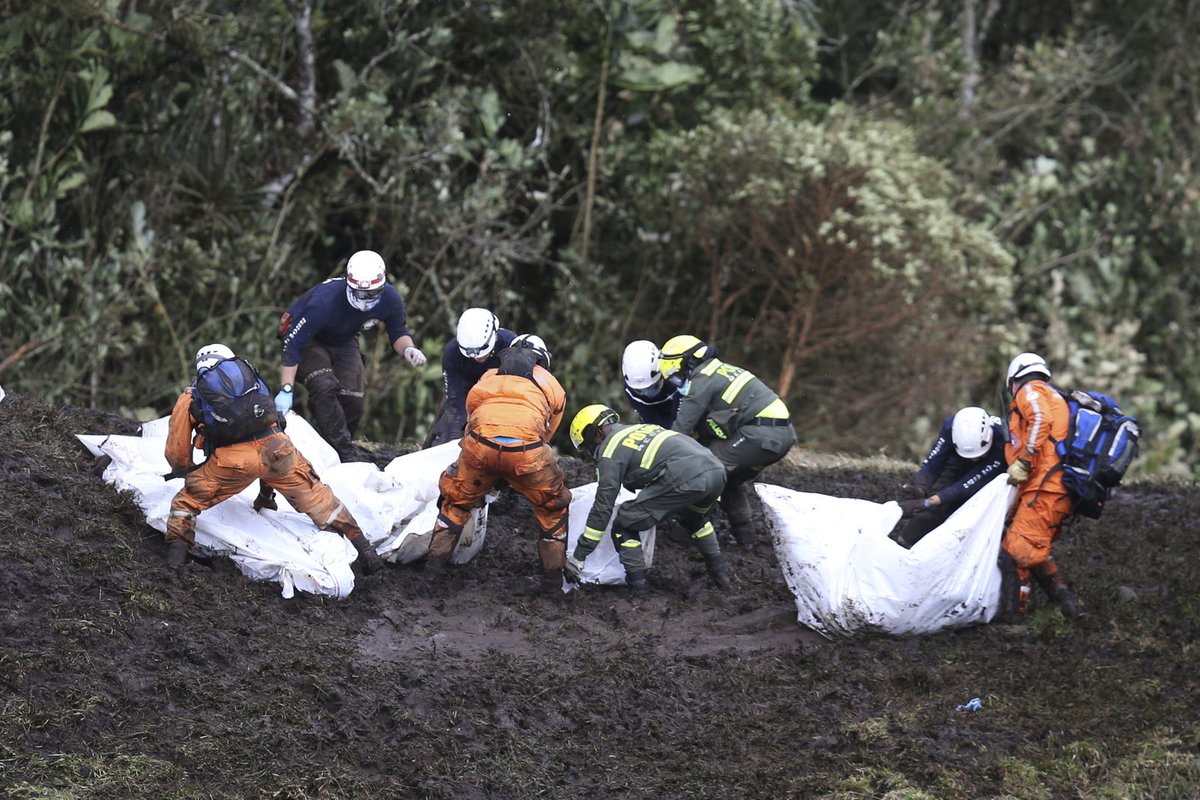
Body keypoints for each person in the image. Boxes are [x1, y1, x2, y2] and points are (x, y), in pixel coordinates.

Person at [164, 343, 384, 576]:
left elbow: (176, 449)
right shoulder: (252, 381)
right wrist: (267, 495)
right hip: (277, 448)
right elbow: (272, 423)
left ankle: (175, 566)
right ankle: (367, 552)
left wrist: (186, 473)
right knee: (320, 499)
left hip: (232, 462)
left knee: (184, 504)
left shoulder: (192, 396)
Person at [425, 334, 572, 594]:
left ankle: (431, 575)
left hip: (480, 446)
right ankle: (552, 586)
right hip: (527, 452)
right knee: (552, 509)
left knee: (455, 502)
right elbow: (546, 434)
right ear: (543, 358)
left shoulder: (489, 376)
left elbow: (472, 419)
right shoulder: (552, 384)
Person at [275, 250, 426, 462]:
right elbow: (292, 344)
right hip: (310, 339)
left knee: (354, 401)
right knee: (324, 384)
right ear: (348, 283)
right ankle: (342, 452)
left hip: (344, 338)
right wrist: (286, 389)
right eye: (361, 294)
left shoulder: (390, 298)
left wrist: (409, 349)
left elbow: (398, 331)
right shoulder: (323, 302)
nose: (366, 300)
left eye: (373, 294)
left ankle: (335, 448)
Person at [566, 404, 731, 593]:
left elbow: (602, 507)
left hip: (686, 478)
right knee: (694, 519)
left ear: (596, 434)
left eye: (588, 448)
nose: (591, 454)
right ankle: (721, 578)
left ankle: (639, 591)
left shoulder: (610, 451)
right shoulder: (643, 428)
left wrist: (578, 556)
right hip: (716, 471)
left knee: (625, 522)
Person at [658, 335, 797, 547]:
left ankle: (689, 529)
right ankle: (746, 539)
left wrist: (653, 458)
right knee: (730, 480)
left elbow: (679, 432)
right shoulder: (721, 369)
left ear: (688, 361)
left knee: (706, 470)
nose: (672, 376)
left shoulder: (701, 380)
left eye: (672, 369)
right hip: (780, 434)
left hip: (761, 435)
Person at [1001, 352, 1082, 618]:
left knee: (1016, 553)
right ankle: (1068, 606)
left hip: (1046, 489)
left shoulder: (1031, 391)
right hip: (1054, 489)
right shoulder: (1051, 394)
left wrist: (1024, 460)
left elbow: (1039, 419)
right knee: (1034, 548)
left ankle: (1014, 620)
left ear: (1014, 379)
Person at [889, 406, 1007, 549]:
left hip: (992, 466)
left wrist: (928, 502)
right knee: (927, 517)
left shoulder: (1004, 438)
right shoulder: (950, 427)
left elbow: (967, 485)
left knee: (964, 511)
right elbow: (933, 463)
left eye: (978, 455)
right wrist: (920, 487)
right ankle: (902, 548)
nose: (974, 459)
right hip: (957, 461)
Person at [423, 307, 518, 448]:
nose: (478, 358)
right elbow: (455, 399)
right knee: (448, 432)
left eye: (482, 353)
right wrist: (454, 437)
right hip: (466, 387)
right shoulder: (452, 353)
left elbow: (518, 388)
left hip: (502, 390)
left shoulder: (511, 345)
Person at [621, 340, 680, 428]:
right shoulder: (630, 389)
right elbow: (651, 421)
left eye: (654, 386)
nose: (647, 394)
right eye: (639, 390)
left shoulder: (676, 377)